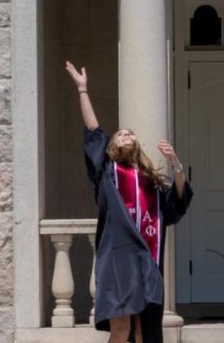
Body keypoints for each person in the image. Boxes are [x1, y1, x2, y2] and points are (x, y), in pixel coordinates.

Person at [65, 61, 193, 343]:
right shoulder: (107, 172)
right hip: (118, 258)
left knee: (145, 331)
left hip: (147, 259)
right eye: (120, 133)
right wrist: (82, 89)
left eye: (130, 133)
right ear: (112, 145)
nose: (125, 134)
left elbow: (175, 206)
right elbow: (94, 131)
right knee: (121, 330)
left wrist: (176, 165)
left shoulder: (151, 180)